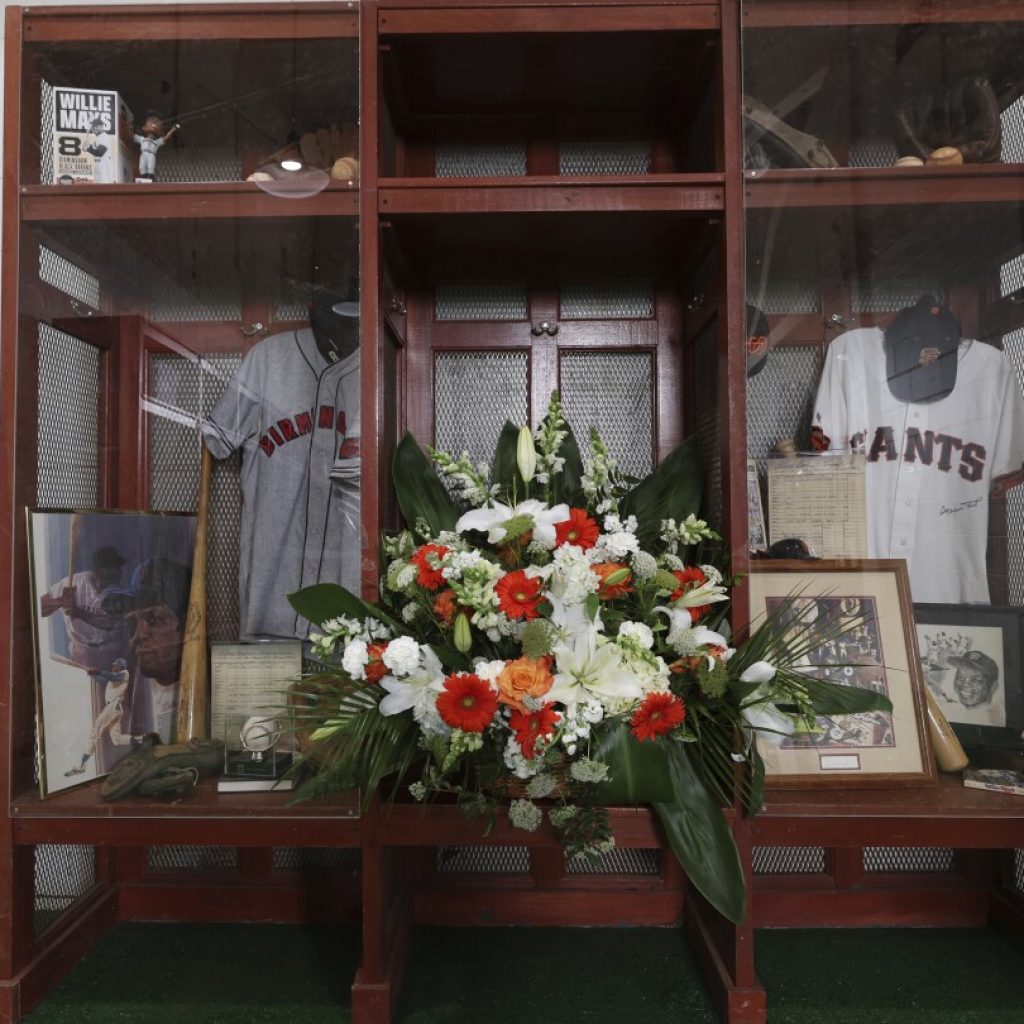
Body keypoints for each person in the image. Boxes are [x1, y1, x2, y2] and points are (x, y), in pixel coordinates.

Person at [126, 558, 191, 741]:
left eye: (154, 620)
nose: (139, 635)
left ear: (187, 624)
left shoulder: (210, 693)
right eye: (132, 623)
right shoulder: (129, 696)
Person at [40, 545, 129, 670]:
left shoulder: (118, 592)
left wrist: (77, 612)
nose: (120, 572)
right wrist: (60, 601)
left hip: (110, 652)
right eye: (116, 567)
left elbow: (108, 623)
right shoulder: (74, 582)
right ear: (103, 571)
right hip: (81, 651)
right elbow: (38, 609)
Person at [64, 657, 135, 777]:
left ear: (121, 666)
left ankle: (81, 766)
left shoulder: (124, 674)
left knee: (95, 732)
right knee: (116, 740)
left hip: (113, 707)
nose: (113, 667)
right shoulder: (112, 681)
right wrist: (91, 674)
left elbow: (111, 676)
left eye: (115, 665)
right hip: (115, 709)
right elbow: (103, 680)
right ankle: (141, 739)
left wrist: (99, 671)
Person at [133, 113, 178, 182]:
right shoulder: (142, 139)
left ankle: (150, 180)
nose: (153, 125)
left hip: (151, 154)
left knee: (151, 167)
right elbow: (132, 136)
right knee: (142, 167)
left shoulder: (157, 142)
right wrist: (129, 126)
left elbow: (166, 137)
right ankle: (143, 180)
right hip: (144, 153)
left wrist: (173, 129)